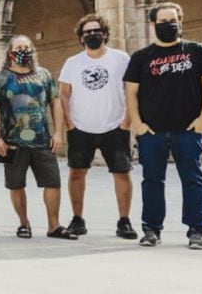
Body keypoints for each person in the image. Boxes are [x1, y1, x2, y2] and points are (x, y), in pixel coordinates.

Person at [124, 1, 202, 250]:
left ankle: (197, 230)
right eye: (163, 21)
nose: (169, 25)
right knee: (152, 181)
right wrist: (138, 125)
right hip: (152, 133)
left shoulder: (196, 50)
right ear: (153, 24)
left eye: (173, 19)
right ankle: (151, 229)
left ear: (181, 20)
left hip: (187, 131)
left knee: (193, 180)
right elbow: (131, 93)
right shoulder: (141, 57)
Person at [0, 35, 76, 240]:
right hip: (12, 143)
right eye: (19, 47)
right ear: (10, 52)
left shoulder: (43, 75)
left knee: (52, 182)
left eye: (27, 47)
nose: (23, 51)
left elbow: (55, 103)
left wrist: (57, 133)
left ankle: (54, 226)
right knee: (16, 184)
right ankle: (23, 224)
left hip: (42, 141)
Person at [59, 14, 136, 240]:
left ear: (104, 34)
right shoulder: (72, 63)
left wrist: (126, 122)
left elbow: (132, 90)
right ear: (81, 38)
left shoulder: (121, 59)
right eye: (87, 32)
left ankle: (124, 221)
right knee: (76, 173)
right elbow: (63, 94)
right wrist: (70, 124)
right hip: (81, 128)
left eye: (96, 31)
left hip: (115, 127)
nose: (92, 35)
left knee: (121, 173)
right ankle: (77, 219)